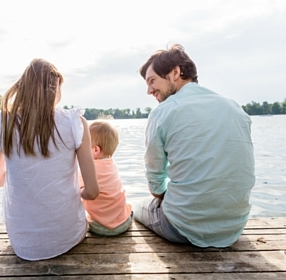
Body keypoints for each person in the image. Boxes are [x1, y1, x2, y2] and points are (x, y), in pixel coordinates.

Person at [134, 44, 255, 248]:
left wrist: (173, 199)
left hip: (182, 229)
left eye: (152, 81)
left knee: (138, 207)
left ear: (175, 72)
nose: (149, 90)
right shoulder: (235, 108)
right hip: (234, 227)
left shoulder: (163, 112)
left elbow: (155, 185)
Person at [0, 58, 99, 261]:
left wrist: (22, 173)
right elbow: (92, 191)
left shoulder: (4, 124)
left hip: (22, 244)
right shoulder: (74, 122)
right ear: (55, 86)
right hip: (68, 236)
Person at [79, 121, 132, 236]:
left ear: (95, 150)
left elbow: (74, 187)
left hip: (101, 227)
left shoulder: (88, 168)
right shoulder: (112, 165)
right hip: (124, 223)